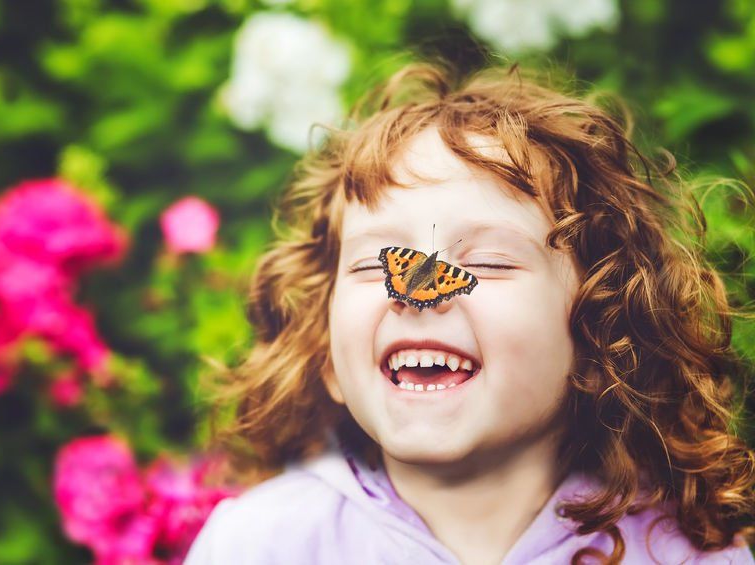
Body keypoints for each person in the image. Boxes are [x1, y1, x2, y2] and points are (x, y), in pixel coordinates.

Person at [183, 61, 755, 564]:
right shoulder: (259, 545)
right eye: (377, 264)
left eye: (488, 263)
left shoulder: (682, 553)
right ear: (326, 355)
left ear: (599, 337)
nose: (419, 292)